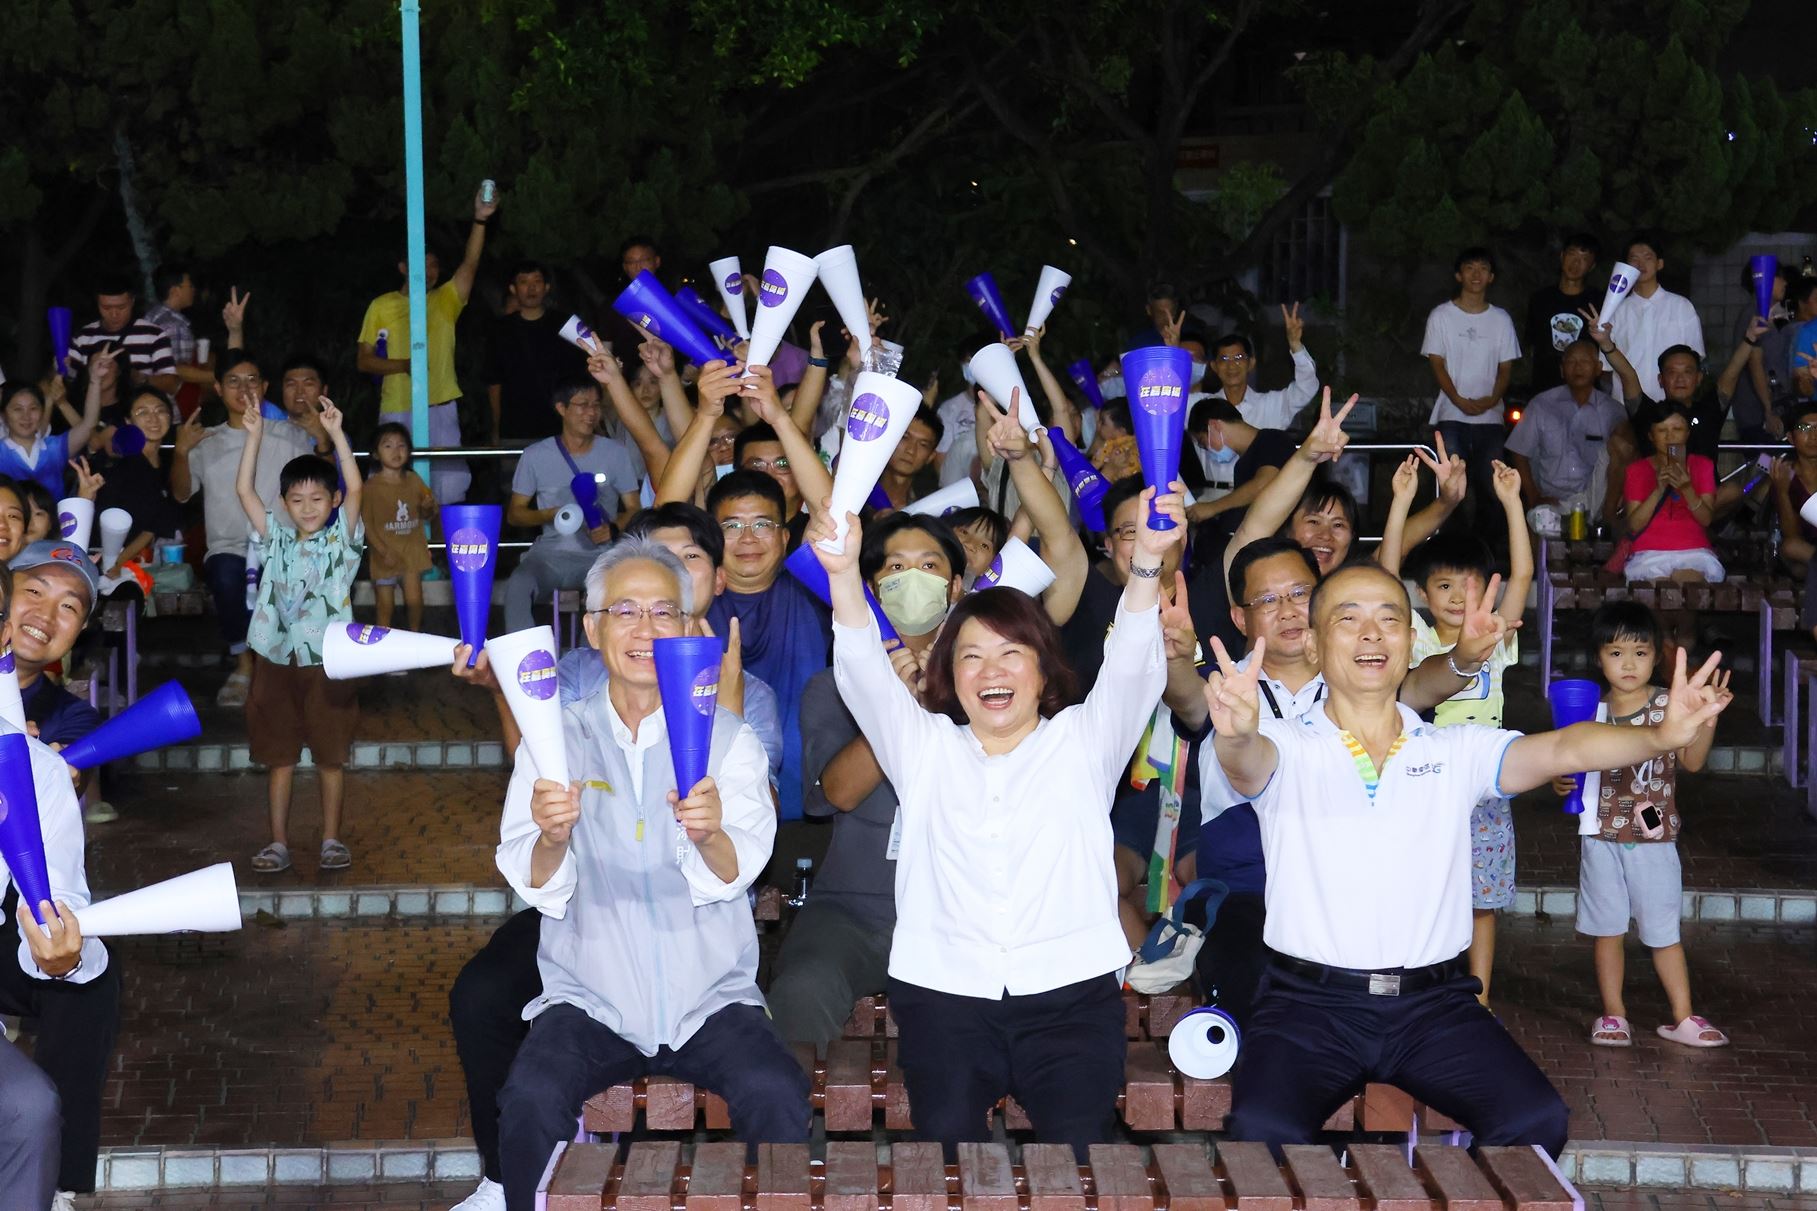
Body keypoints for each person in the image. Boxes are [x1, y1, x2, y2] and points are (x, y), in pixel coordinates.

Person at [1206, 561, 1731, 1158]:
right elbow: (1246, 762)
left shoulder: (1454, 750)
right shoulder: (1286, 747)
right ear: (1319, 643)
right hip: (1308, 1008)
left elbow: (1563, 746)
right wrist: (1237, 732)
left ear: (1410, 643)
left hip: (1433, 1007)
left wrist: (1660, 736)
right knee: (1260, 1132)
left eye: (1390, 620)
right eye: (1348, 620)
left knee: (1536, 1120)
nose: (1372, 635)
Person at [813, 473, 1182, 1160]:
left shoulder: (1083, 740)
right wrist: (841, 575)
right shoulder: (922, 747)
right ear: (947, 676)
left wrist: (1146, 569)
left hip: (1072, 998)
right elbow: (863, 673)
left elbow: (1132, 662)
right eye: (971, 655)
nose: (992, 670)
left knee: (1080, 1161)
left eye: (1012, 652)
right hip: (944, 997)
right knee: (948, 1155)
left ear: (1044, 669)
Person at [444, 507, 783, 1211]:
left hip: (709, 996)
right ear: (591, 628)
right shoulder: (554, 735)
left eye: (663, 611)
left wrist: (710, 832)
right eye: (623, 611)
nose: (643, 627)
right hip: (590, 994)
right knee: (529, 1098)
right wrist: (550, 836)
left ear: (690, 629)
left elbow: (737, 867)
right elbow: (535, 879)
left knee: (776, 1095)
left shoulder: (728, 739)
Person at [768, 511, 972, 1047]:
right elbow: (832, 794)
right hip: (851, 910)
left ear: (955, 587)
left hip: (960, 909)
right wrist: (898, 704)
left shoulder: (990, 687)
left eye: (929, 565)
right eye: (896, 567)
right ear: (872, 588)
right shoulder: (833, 688)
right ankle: (789, 1129)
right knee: (802, 989)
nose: (914, 578)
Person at [1381, 459, 1533, 1008]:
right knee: (1421, 887)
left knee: (1481, 899)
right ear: (1423, 593)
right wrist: (1401, 502)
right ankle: (1423, 990)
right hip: (1422, 777)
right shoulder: (1415, 639)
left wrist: (1512, 503)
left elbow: (1521, 578)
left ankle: (1480, 999)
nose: (1458, 597)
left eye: (1470, 586)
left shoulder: (1496, 636)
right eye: (1444, 585)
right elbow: (1386, 576)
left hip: (1485, 783)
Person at [0, 555, 121, 1211]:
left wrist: (58, 947)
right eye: (31, 593)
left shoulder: (49, 752)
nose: (44, 615)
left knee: (90, 968)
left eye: (69, 607)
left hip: (7, 909)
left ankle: (60, 1182)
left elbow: (57, 885)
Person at [1572, 603, 1730, 1048]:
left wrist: (1708, 719)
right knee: (1607, 930)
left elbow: (1693, 762)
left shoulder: (1668, 704)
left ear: (1656, 657)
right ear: (1598, 657)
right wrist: (1563, 779)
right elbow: (1569, 768)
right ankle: (1613, 1016)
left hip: (1655, 840)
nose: (1628, 664)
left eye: (1639, 653)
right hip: (1599, 836)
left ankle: (1683, 1016)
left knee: (1663, 931)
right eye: (1616, 652)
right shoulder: (1590, 711)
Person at [237, 399, 366, 874]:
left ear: (331, 503)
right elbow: (244, 489)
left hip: (330, 660)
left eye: (317, 499)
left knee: (331, 757)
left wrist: (336, 436)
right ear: (284, 503)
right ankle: (278, 843)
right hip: (275, 658)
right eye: (296, 499)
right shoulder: (276, 538)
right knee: (280, 757)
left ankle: (332, 840)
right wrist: (253, 436)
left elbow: (355, 486)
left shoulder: (342, 542)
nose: (307, 507)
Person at [171, 351, 315, 706]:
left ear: (265, 387)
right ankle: (243, 664)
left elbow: (321, 481)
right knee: (225, 578)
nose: (244, 388)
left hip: (281, 542)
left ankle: (279, 670)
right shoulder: (206, 440)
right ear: (218, 388)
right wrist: (179, 453)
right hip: (228, 546)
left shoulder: (293, 434)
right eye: (233, 381)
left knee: (285, 588)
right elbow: (181, 493)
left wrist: (323, 440)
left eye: (252, 380)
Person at [356, 183, 497, 504]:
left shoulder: (445, 299)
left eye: (434, 264)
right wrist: (404, 366)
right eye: (421, 263)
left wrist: (480, 219)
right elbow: (363, 360)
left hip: (441, 405)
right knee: (391, 488)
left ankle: (440, 554)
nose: (429, 271)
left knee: (448, 488)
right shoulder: (382, 305)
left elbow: (470, 264)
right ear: (403, 267)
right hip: (397, 407)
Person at [501, 381, 640, 633]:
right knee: (518, 585)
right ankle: (523, 660)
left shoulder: (615, 453)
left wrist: (613, 527)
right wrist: (551, 514)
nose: (591, 413)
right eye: (583, 405)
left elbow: (635, 509)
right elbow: (515, 514)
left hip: (602, 557)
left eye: (596, 405)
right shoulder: (535, 455)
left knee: (610, 598)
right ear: (561, 408)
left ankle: (597, 663)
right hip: (550, 556)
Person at [1421, 247, 1521, 526]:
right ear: (1458, 274)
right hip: (1451, 416)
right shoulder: (1441, 316)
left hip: (1490, 419)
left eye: (1483, 269)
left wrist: (1492, 400)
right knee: (1452, 489)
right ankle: (1452, 552)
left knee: (1491, 488)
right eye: (1469, 268)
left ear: (1491, 277)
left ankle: (1489, 552)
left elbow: (1506, 367)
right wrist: (1457, 398)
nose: (1476, 274)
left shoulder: (1501, 319)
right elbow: (1437, 363)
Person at [1504, 338, 1632, 514]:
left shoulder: (1613, 410)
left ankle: (1609, 516)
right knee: (1537, 522)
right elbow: (1519, 452)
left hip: (1595, 500)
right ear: (1562, 370)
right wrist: (1533, 497)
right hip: (1551, 500)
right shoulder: (1541, 404)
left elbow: (1626, 457)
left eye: (1585, 361)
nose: (1578, 367)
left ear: (1598, 368)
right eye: (1571, 362)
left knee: (1622, 445)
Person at [484, 260, 590, 443]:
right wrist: (496, 425)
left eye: (537, 281)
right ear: (513, 288)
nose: (531, 288)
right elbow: (494, 383)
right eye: (524, 282)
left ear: (546, 287)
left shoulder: (569, 324)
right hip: (516, 429)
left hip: (564, 427)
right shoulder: (500, 330)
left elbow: (594, 364)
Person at [1621, 403, 1722, 584]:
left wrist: (1687, 488)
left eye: (1677, 429)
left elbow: (1706, 519)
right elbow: (1634, 525)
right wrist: (1659, 490)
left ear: (1687, 434)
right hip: (1648, 552)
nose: (1670, 436)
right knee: (1661, 593)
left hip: (1693, 551)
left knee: (1689, 589)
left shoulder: (1702, 465)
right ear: (1651, 436)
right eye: (1662, 430)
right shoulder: (1637, 470)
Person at [1605, 234, 1704, 407]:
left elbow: (1695, 358)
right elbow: (1605, 366)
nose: (1641, 264)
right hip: (1626, 405)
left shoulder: (1681, 306)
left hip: (1672, 407)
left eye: (1647, 257)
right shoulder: (1616, 310)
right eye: (1634, 259)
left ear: (1660, 264)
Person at [96, 388, 183, 576]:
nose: (153, 418)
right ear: (128, 421)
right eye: (142, 412)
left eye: (160, 411)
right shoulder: (120, 466)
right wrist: (115, 564)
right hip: (116, 565)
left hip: (158, 563)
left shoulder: (170, 463)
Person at [362, 423, 437, 632]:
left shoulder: (414, 480)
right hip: (384, 556)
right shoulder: (370, 488)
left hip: (411, 553)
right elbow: (366, 523)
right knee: (385, 606)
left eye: (401, 446)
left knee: (415, 601)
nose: (396, 451)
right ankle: (382, 650)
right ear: (376, 454)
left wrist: (427, 507)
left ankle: (414, 639)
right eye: (388, 446)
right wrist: (383, 551)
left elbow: (429, 512)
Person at [1196, 306, 1321, 431]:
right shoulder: (1202, 408)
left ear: (1251, 363)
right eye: (1224, 359)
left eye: (1238, 357)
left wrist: (1296, 345)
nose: (1232, 365)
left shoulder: (1271, 405)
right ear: (1214, 366)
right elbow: (1176, 400)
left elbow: (1306, 388)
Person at [0, 352, 107, 496]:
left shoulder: (56, 447)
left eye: (33, 408)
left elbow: (89, 424)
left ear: (42, 412)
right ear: (4, 415)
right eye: (17, 409)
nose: (26, 416)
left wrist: (95, 380)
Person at [65, 278, 179, 411]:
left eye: (121, 307)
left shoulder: (153, 334)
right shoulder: (83, 336)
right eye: (106, 308)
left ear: (132, 302)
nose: (114, 314)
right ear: (97, 304)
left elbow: (171, 384)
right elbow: (67, 376)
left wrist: (139, 378)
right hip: (96, 416)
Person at [1184, 398, 1296, 528]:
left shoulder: (1273, 440)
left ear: (1214, 426)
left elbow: (1265, 484)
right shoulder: (1241, 465)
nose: (1207, 450)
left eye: (1203, 443)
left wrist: (1212, 507)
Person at [1523, 233, 1599, 394]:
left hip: (1585, 391)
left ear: (1592, 266)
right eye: (1572, 255)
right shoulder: (1540, 299)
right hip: (1544, 388)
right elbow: (1531, 345)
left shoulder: (1599, 301)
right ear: (1562, 256)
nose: (1576, 263)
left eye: (1584, 259)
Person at [141, 264, 215, 397]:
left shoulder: (152, 316)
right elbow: (176, 369)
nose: (193, 290)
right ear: (175, 291)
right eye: (190, 286)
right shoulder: (172, 325)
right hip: (169, 403)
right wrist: (220, 377)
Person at [874, 405, 942, 509]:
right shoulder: (858, 488)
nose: (911, 450)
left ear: (930, 457)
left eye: (923, 445)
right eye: (904, 437)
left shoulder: (933, 506)